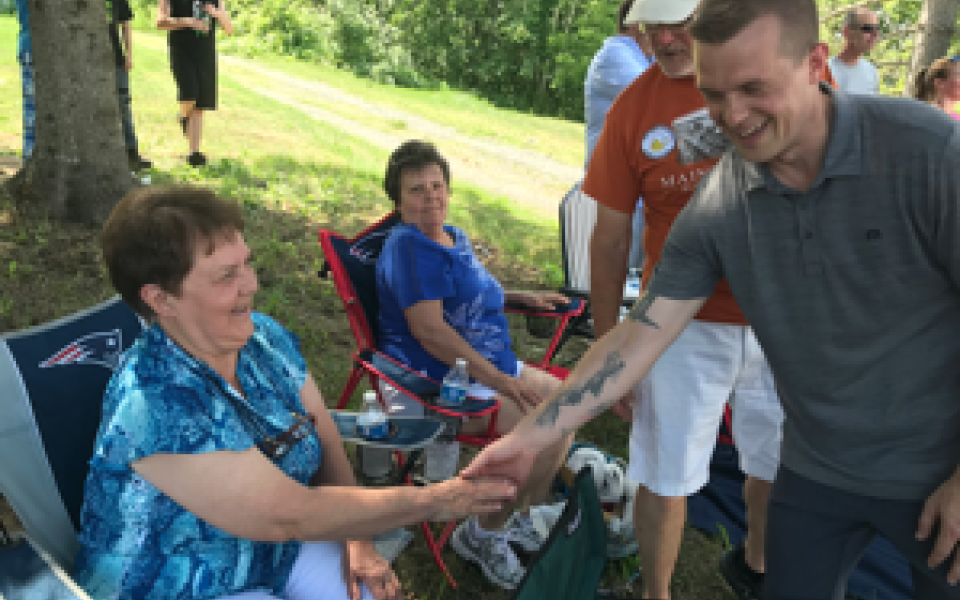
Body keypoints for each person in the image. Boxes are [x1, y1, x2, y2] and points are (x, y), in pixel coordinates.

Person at [464, 0, 960, 599]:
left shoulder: (925, 151)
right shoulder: (724, 201)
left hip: (935, 469)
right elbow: (639, 334)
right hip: (815, 470)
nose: (732, 116)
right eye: (714, 94)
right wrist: (529, 440)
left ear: (815, 64)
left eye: (754, 89)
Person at [71, 185, 516, 600]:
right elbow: (289, 513)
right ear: (161, 299)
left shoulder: (262, 339)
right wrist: (440, 499)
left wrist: (357, 538)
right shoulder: (154, 402)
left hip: (270, 550)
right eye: (226, 276)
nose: (250, 285)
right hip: (173, 581)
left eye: (246, 263)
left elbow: (322, 436)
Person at [584, 0, 782, 597]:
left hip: (779, 316)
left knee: (775, 463)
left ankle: (757, 566)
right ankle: (656, 593)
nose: (667, 39)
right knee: (666, 474)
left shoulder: (762, 73)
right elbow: (611, 235)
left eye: (681, 24)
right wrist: (608, 349)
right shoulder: (631, 110)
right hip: (680, 323)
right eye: (653, 27)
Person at [376, 140, 574, 590]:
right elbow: (430, 332)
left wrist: (521, 297)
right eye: (416, 190)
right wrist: (503, 382)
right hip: (442, 379)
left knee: (568, 410)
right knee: (539, 432)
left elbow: (470, 288)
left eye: (437, 185)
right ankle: (480, 536)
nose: (431, 197)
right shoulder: (410, 249)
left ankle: (518, 518)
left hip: (488, 364)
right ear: (398, 199)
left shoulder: (451, 235)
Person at [584, 0, 654, 271]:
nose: (666, 34)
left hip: (638, 191)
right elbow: (656, 101)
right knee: (623, 273)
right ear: (638, 23)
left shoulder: (643, 58)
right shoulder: (614, 55)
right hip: (616, 191)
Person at [156, 0, 233, 167]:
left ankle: (194, 153)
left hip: (205, 53)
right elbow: (160, 22)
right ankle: (184, 116)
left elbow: (229, 29)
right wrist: (188, 21)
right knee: (189, 93)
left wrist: (217, 14)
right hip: (181, 50)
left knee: (200, 105)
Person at [108, 0, 153, 170]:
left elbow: (125, 24)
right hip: (91, 61)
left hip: (117, 58)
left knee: (124, 105)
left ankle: (131, 152)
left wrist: (129, 55)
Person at [828, 7, 879, 95]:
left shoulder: (872, 72)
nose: (875, 35)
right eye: (868, 29)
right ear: (847, 33)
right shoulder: (826, 71)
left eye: (876, 29)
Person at [15, 0, 34, 160]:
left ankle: (29, 156)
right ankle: (30, 156)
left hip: (26, 46)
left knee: (30, 107)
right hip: (33, 47)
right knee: (32, 108)